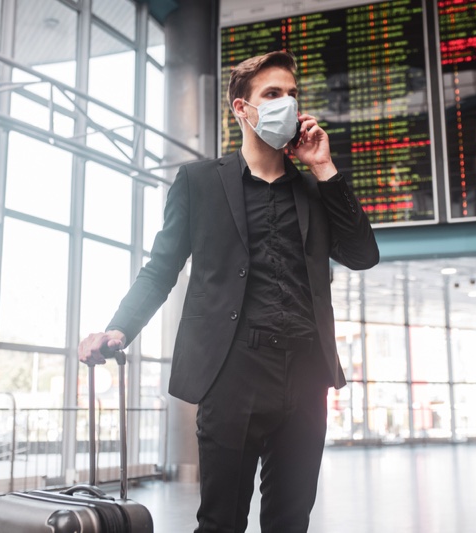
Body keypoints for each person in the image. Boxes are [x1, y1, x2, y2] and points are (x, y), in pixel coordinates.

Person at [78, 51, 379, 533]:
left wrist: (324, 168)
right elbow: (161, 269)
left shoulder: (313, 190)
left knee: (290, 521)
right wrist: (119, 328)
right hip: (233, 370)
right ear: (242, 109)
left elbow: (363, 255)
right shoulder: (199, 183)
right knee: (221, 523)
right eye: (273, 94)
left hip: (306, 373)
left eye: (292, 94)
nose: (288, 103)